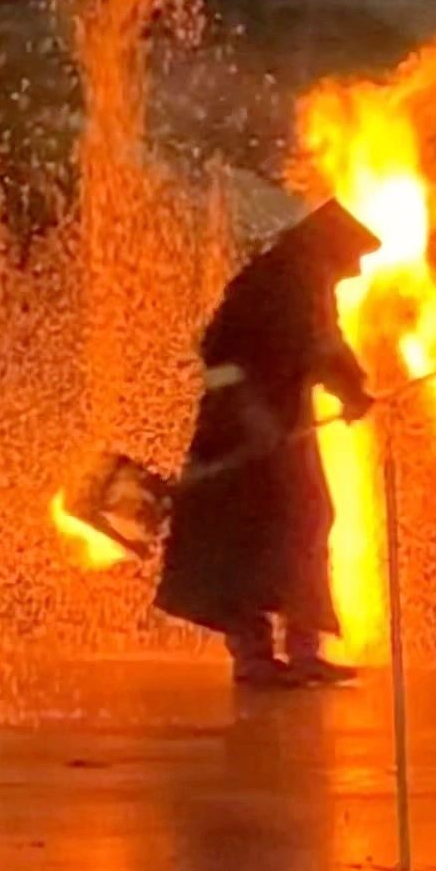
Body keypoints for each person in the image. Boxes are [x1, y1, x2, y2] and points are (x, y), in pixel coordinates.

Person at [155, 201, 378, 688]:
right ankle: (253, 655)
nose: (356, 270)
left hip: (281, 425)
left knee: (307, 518)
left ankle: (303, 650)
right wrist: (248, 410)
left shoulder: (310, 285)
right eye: (353, 259)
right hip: (238, 433)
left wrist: (352, 388)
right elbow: (218, 348)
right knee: (245, 533)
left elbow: (325, 346)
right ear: (330, 250)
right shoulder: (271, 282)